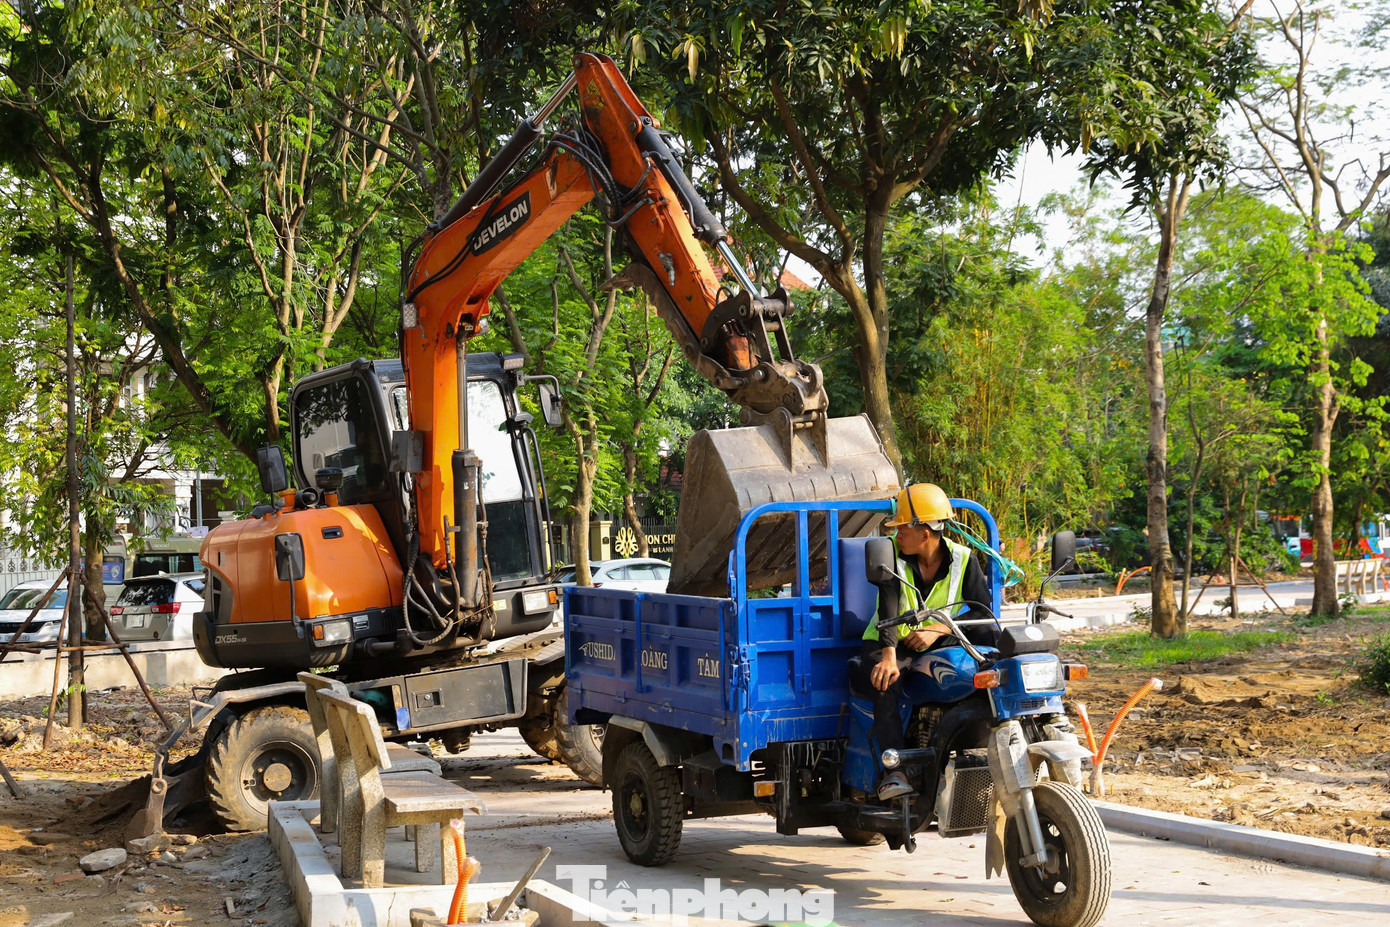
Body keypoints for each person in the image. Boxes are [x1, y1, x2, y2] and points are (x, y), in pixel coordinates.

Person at [855, 482, 992, 800]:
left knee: (991, 664)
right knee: (886, 680)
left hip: (938, 639)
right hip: (889, 641)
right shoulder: (891, 553)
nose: (897, 533)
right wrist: (888, 657)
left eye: (902, 527)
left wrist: (938, 630)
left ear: (925, 532)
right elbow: (887, 608)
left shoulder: (963, 559)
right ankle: (895, 772)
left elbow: (982, 613)